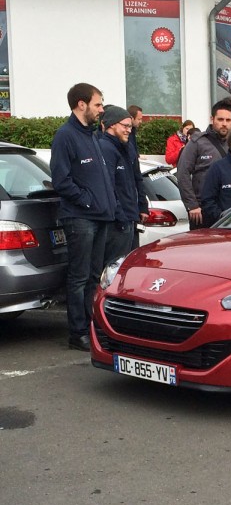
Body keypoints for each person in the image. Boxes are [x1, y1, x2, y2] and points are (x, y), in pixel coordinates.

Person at [49, 83, 114, 351]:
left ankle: (90, 326)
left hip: (100, 218)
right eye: (98, 104)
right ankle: (78, 333)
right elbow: (61, 181)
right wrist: (87, 201)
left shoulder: (92, 136)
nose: (101, 109)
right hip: (80, 218)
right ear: (81, 104)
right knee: (78, 277)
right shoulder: (65, 136)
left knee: (93, 276)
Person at [99, 105, 148, 264]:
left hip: (130, 217)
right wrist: (120, 216)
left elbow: (137, 178)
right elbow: (109, 187)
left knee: (129, 267)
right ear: (112, 125)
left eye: (130, 126)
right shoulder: (105, 147)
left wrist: (142, 205)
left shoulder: (127, 146)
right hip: (118, 222)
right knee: (115, 268)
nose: (129, 130)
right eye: (125, 126)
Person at [176, 100, 231, 229]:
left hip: (228, 211)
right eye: (220, 119)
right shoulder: (197, 142)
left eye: (228, 120)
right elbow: (182, 173)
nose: (224, 124)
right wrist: (192, 205)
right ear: (212, 119)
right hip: (201, 211)